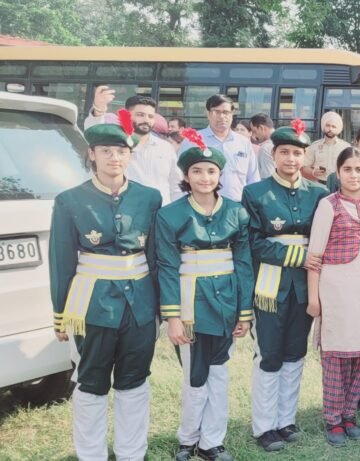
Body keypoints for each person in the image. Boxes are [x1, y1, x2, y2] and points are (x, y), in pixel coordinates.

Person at [50, 118, 162, 461]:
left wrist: (162, 309)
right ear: (92, 154)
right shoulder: (70, 200)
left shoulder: (149, 197)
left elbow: (157, 258)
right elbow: (61, 260)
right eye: (106, 151)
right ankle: (91, 454)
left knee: (134, 380)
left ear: (130, 155)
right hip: (92, 304)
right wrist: (60, 313)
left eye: (121, 151)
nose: (115, 157)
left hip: (140, 304)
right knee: (91, 382)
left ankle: (131, 452)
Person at [157, 131, 255, 461]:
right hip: (190, 304)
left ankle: (212, 441)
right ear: (186, 175)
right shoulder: (170, 215)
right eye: (197, 171)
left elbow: (242, 263)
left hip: (226, 302)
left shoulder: (237, 213)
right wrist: (173, 316)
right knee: (194, 374)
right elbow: (167, 267)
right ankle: (188, 438)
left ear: (220, 175)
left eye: (211, 171)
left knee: (220, 371)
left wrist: (244, 312)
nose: (205, 177)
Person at [241, 120, 329, 452]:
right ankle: (264, 426)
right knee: (269, 354)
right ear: (273, 154)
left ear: (304, 156)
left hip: (306, 286)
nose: (291, 159)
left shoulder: (319, 194)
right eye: (284, 152)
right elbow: (251, 242)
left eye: (297, 153)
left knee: (295, 352)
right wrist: (297, 255)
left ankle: (285, 419)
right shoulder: (255, 193)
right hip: (270, 285)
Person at [306, 147, 360, 447]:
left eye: (359, 169)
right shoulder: (328, 205)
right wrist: (315, 299)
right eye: (347, 169)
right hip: (335, 287)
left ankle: (350, 413)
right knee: (337, 355)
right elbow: (314, 255)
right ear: (338, 173)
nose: (353, 175)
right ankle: (333, 418)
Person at [87, 88, 182, 206]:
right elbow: (94, 131)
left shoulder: (165, 148)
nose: (146, 120)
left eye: (150, 116)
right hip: (126, 213)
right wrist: (99, 109)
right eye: (140, 115)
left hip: (161, 215)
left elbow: (176, 185)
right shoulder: (117, 144)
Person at [178, 94, 260, 202]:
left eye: (226, 112)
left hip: (236, 207)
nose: (222, 116)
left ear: (231, 114)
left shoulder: (243, 143)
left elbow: (253, 179)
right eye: (216, 112)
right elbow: (179, 175)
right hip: (201, 206)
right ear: (208, 114)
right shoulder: (192, 141)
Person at [302, 112, 351, 184]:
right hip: (319, 184)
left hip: (339, 184)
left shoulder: (346, 147)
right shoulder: (314, 146)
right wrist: (313, 172)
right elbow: (303, 167)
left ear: (338, 129)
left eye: (333, 126)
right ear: (323, 126)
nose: (330, 129)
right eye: (328, 125)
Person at [250, 113, 276, 179]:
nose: (254, 136)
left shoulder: (265, 148)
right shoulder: (282, 142)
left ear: (261, 128)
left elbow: (268, 177)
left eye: (254, 131)